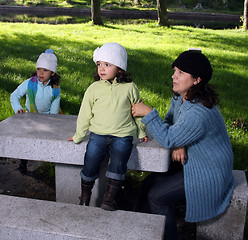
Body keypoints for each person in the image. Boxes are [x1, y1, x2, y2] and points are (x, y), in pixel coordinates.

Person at [131, 50, 234, 239]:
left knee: (156, 196)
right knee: (149, 183)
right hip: (192, 161)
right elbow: (171, 125)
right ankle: (138, 229)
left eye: (180, 72)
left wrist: (148, 113)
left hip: (207, 171)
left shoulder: (200, 112)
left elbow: (168, 138)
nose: (174, 75)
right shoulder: (181, 97)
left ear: (196, 80)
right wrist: (181, 143)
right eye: (175, 70)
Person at [68, 42, 148, 211]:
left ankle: (109, 199)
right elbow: (85, 114)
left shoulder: (130, 88)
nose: (101, 69)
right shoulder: (94, 89)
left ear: (120, 68)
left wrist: (141, 132)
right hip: (98, 135)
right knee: (90, 163)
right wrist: (78, 135)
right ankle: (84, 197)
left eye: (107, 64)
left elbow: (137, 111)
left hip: (123, 135)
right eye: (99, 64)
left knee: (118, 164)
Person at [10, 49, 61, 173]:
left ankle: (52, 160)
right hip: (30, 118)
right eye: (39, 69)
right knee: (26, 141)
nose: (41, 73)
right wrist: (18, 109)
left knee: (49, 139)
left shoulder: (55, 89)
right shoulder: (29, 84)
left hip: (47, 118)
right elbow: (14, 96)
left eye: (45, 70)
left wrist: (51, 121)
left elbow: (54, 110)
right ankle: (23, 162)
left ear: (53, 73)